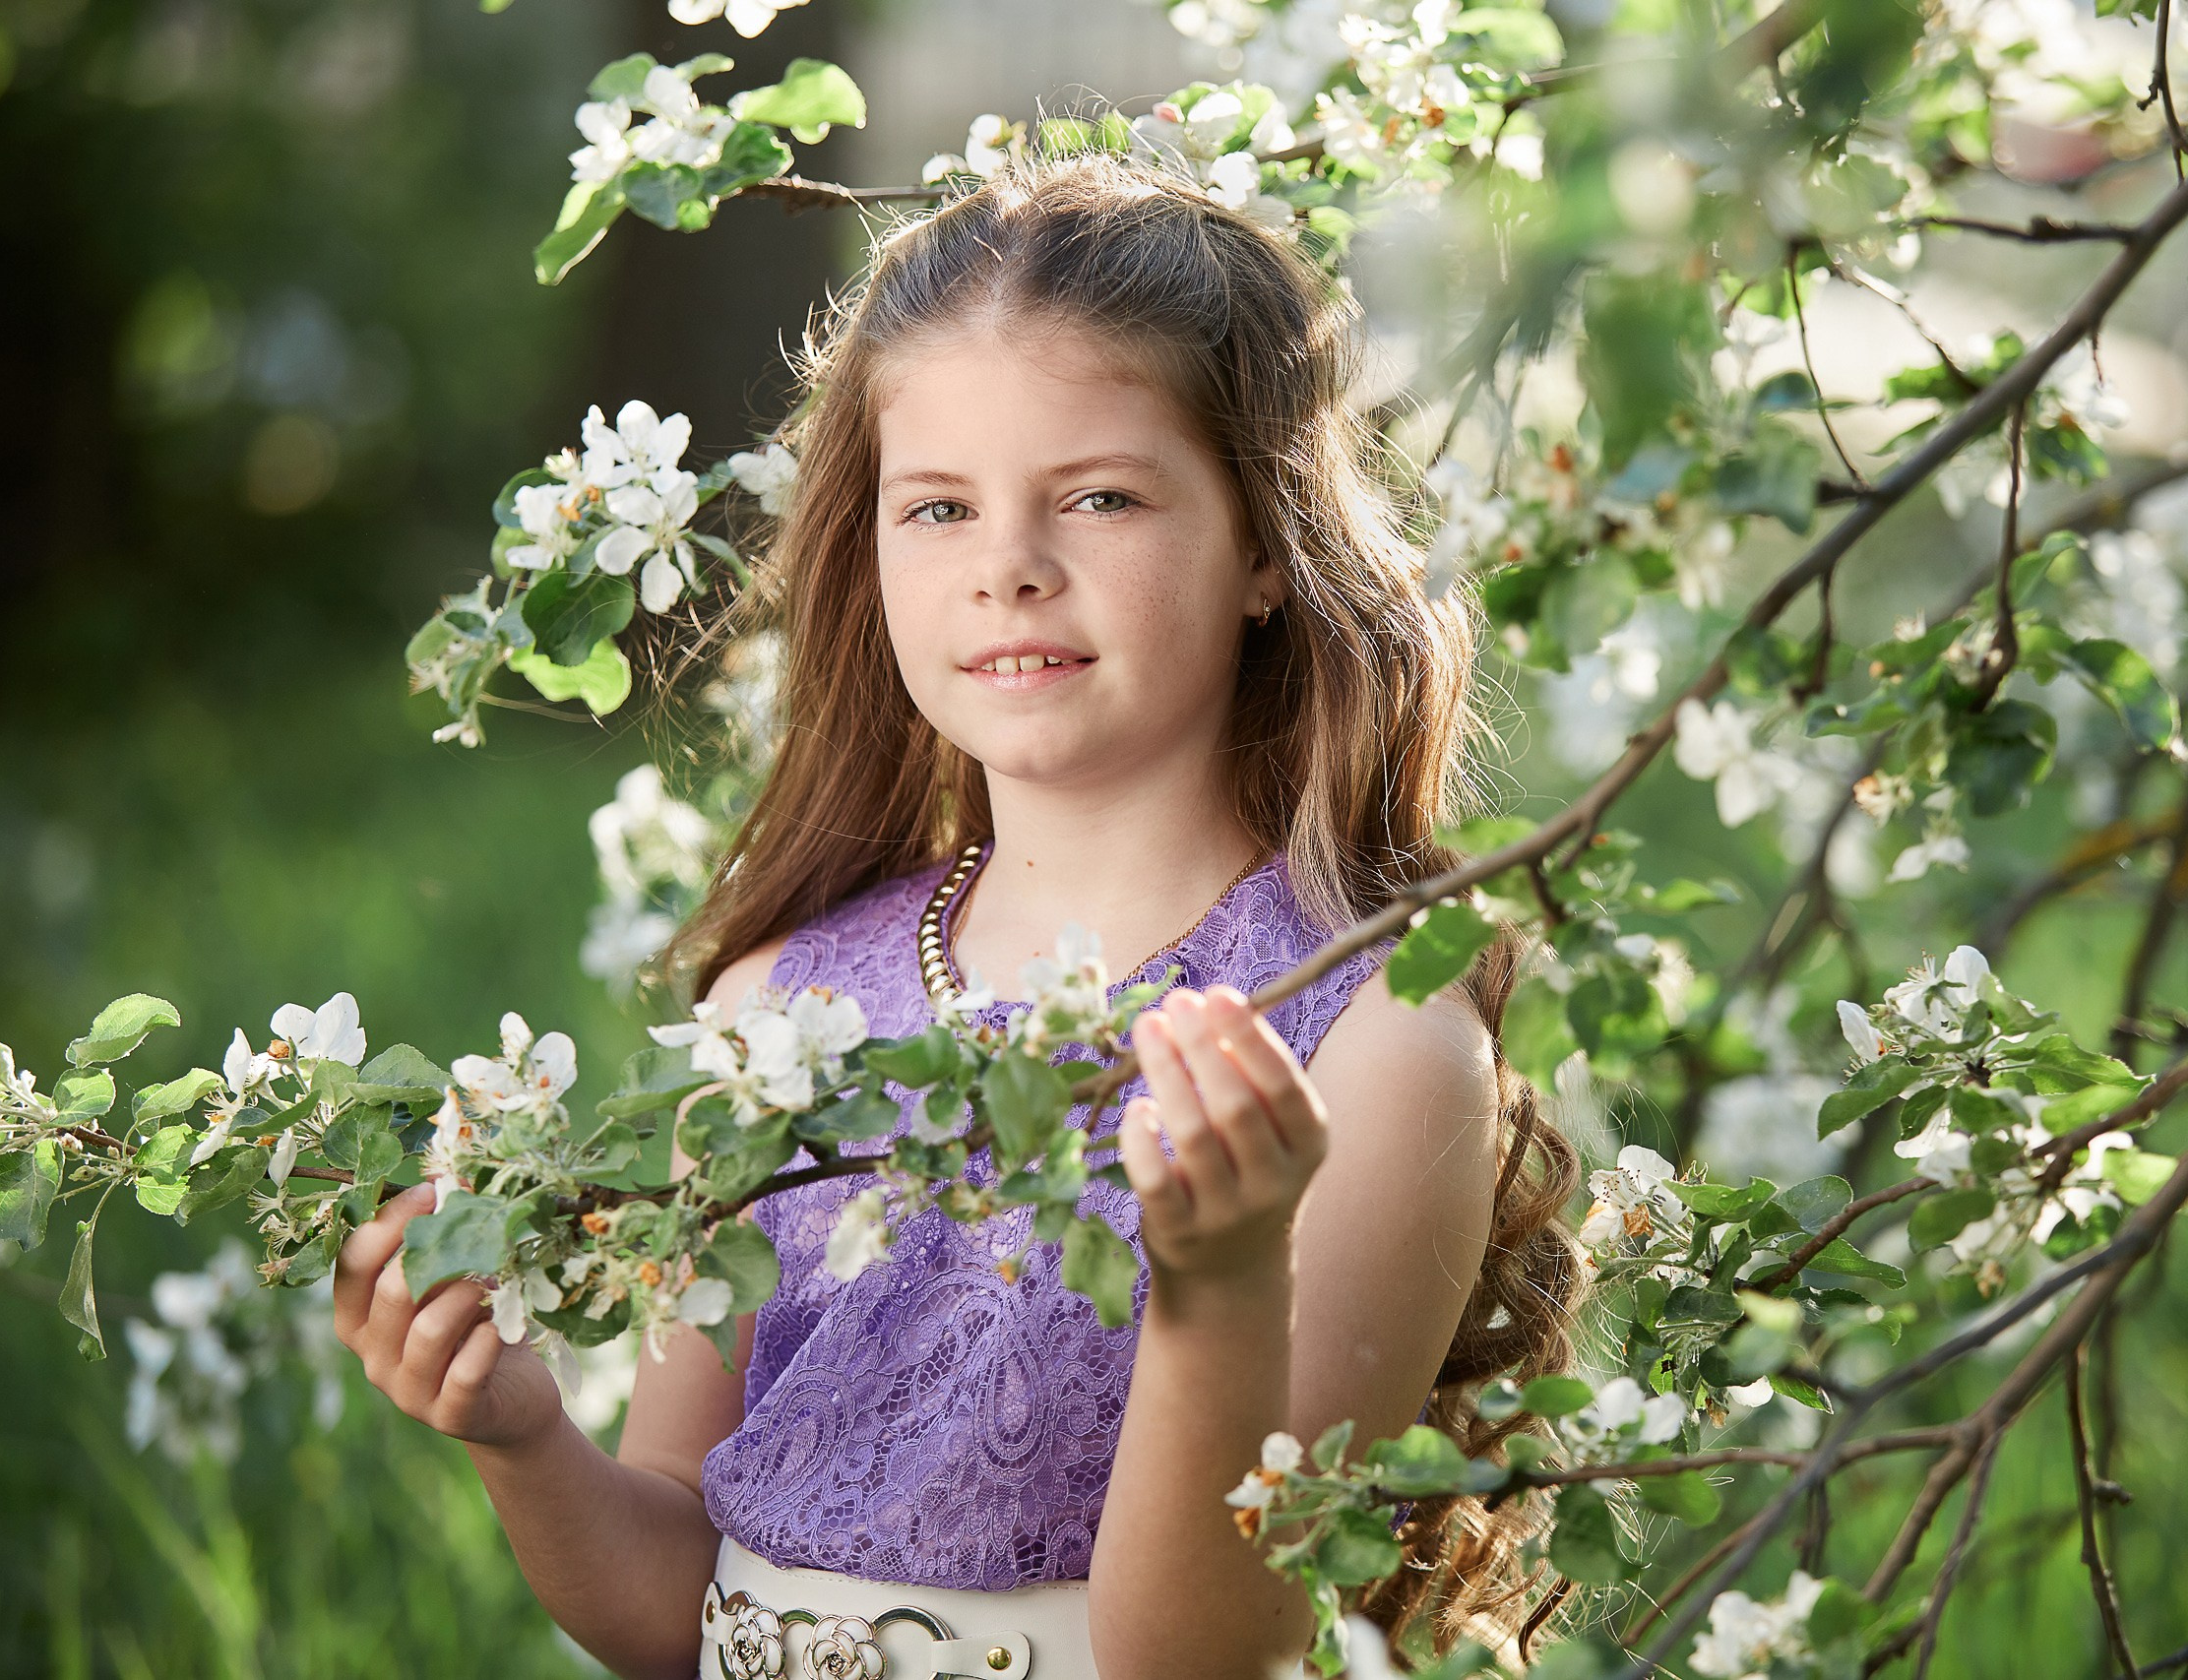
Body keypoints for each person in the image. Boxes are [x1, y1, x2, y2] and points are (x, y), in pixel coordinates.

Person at [332, 153, 1577, 1680]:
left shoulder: (1369, 1047)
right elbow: (673, 1603)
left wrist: (1220, 1286)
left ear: (1265, 545)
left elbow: (1200, 1657)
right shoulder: (779, 1013)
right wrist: (522, 1436)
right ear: (871, 547)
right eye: (937, 508)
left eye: (1101, 496)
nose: (1008, 570)